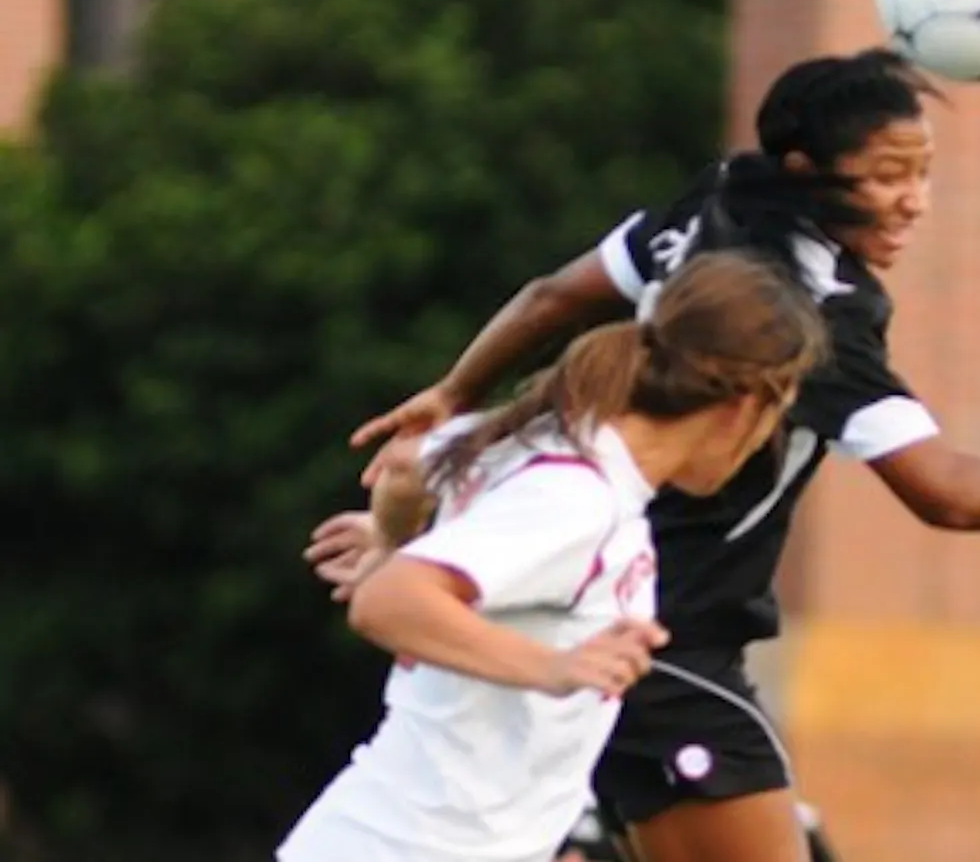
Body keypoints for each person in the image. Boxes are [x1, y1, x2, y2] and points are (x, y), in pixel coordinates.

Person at [318, 47, 980, 862]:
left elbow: (553, 297)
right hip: (666, 647)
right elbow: (947, 492)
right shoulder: (804, 319)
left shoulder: (719, 207)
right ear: (752, 395)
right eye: (886, 175)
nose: (914, 198)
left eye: (924, 173)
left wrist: (446, 430)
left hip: (631, 631)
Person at [279, 251, 827, 862]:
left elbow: (408, 466)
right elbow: (389, 602)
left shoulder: (546, 440)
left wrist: (391, 539)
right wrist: (554, 668)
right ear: (744, 408)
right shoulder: (577, 501)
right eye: (776, 421)